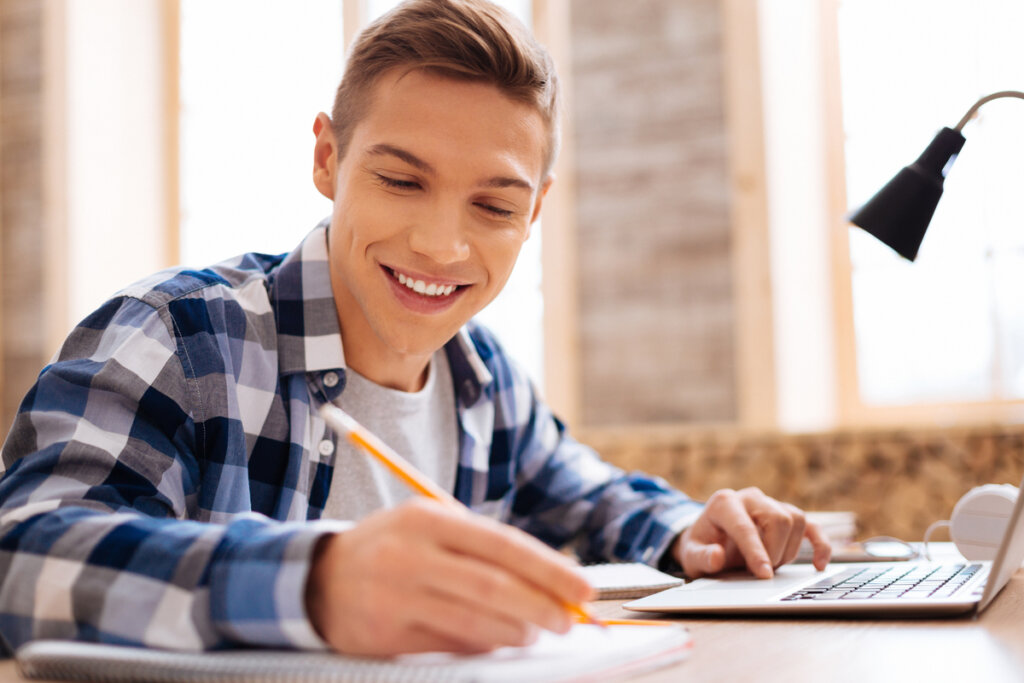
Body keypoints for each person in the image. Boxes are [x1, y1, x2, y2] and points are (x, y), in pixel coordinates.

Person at [0, 0, 830, 657]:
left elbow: (595, 502)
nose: (441, 243)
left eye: (494, 205)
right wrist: (318, 584)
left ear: (536, 211)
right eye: (401, 180)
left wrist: (696, 532)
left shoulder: (485, 382)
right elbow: (21, 559)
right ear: (327, 159)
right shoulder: (180, 338)